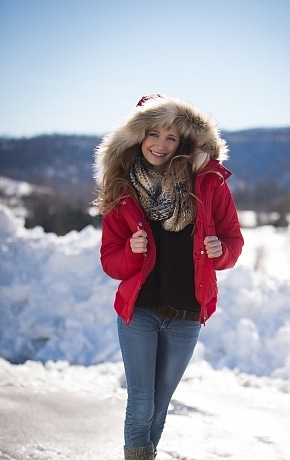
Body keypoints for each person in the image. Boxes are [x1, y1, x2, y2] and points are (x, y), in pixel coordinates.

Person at [93, 94, 244, 460]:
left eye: (171, 137)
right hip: (140, 312)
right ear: (139, 136)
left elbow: (233, 241)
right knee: (141, 403)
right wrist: (132, 251)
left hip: (187, 315)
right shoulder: (122, 190)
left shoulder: (209, 185)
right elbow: (110, 261)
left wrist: (219, 251)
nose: (160, 144)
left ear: (184, 143)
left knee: (161, 406)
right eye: (153, 134)